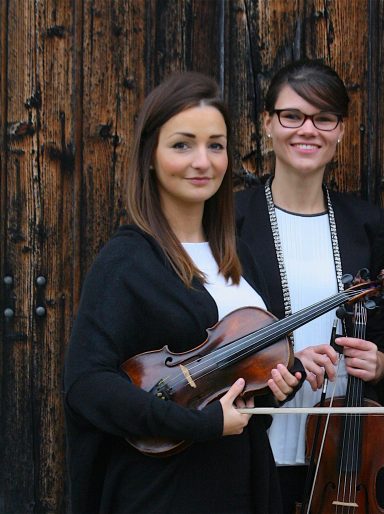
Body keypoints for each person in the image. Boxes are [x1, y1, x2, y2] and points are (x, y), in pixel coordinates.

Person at [63, 72, 302, 514]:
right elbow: (87, 385)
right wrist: (197, 422)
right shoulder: (127, 261)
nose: (203, 161)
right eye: (182, 145)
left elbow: (242, 381)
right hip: (164, 493)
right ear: (150, 156)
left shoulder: (240, 255)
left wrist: (282, 382)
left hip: (243, 484)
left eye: (216, 145)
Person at [235, 59, 384, 513]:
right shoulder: (231, 221)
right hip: (252, 446)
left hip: (345, 458)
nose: (308, 130)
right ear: (268, 123)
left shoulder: (366, 224)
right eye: (292, 116)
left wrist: (379, 362)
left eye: (324, 118)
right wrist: (281, 363)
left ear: (340, 130)